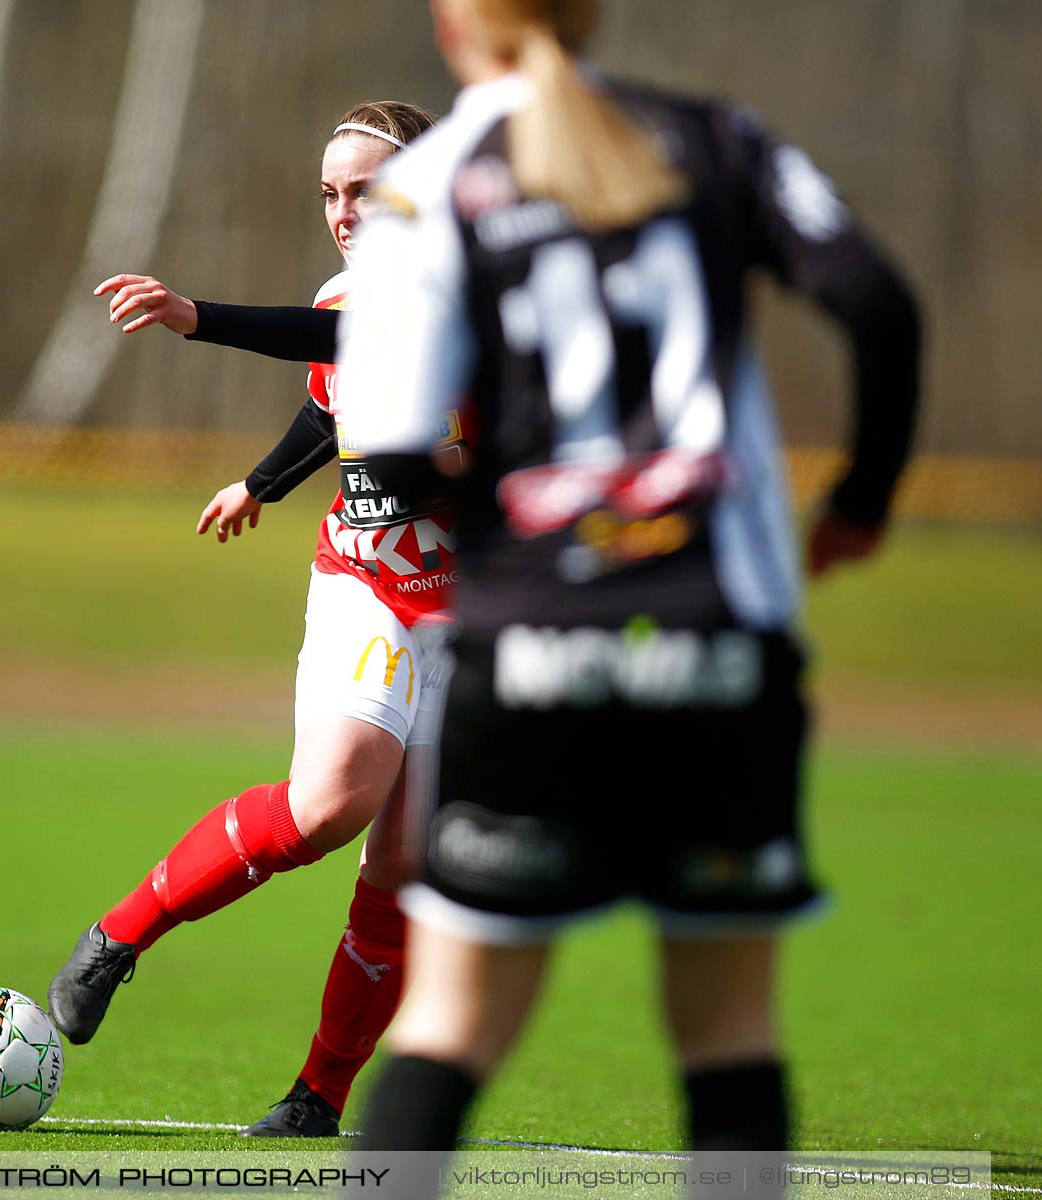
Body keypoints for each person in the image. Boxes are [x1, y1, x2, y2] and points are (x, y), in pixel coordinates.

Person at [337, 0, 922, 1180]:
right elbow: (879, 305)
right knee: (726, 1039)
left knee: (450, 1028)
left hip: (527, 647)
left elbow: (386, 455)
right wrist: (858, 507)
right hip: (721, 636)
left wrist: (522, 502)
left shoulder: (431, 181)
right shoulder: (719, 139)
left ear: (457, 28)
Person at [47, 101, 457, 1139]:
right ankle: (117, 938)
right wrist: (263, 483)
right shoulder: (352, 295)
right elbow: (335, 387)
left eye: (363, 189)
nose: (343, 213)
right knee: (329, 807)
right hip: (369, 581)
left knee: (404, 869)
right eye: (329, 194)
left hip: (478, 618)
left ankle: (317, 1099)